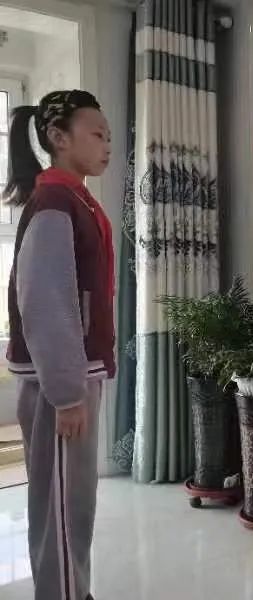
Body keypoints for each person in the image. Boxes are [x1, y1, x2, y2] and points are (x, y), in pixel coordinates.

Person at [3, 90, 115, 600]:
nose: (107, 144)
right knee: (63, 506)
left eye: (108, 136)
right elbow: (46, 301)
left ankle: (72, 589)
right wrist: (67, 393)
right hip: (62, 382)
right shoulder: (54, 203)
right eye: (97, 133)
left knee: (72, 502)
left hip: (72, 373)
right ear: (58, 137)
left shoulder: (73, 199)